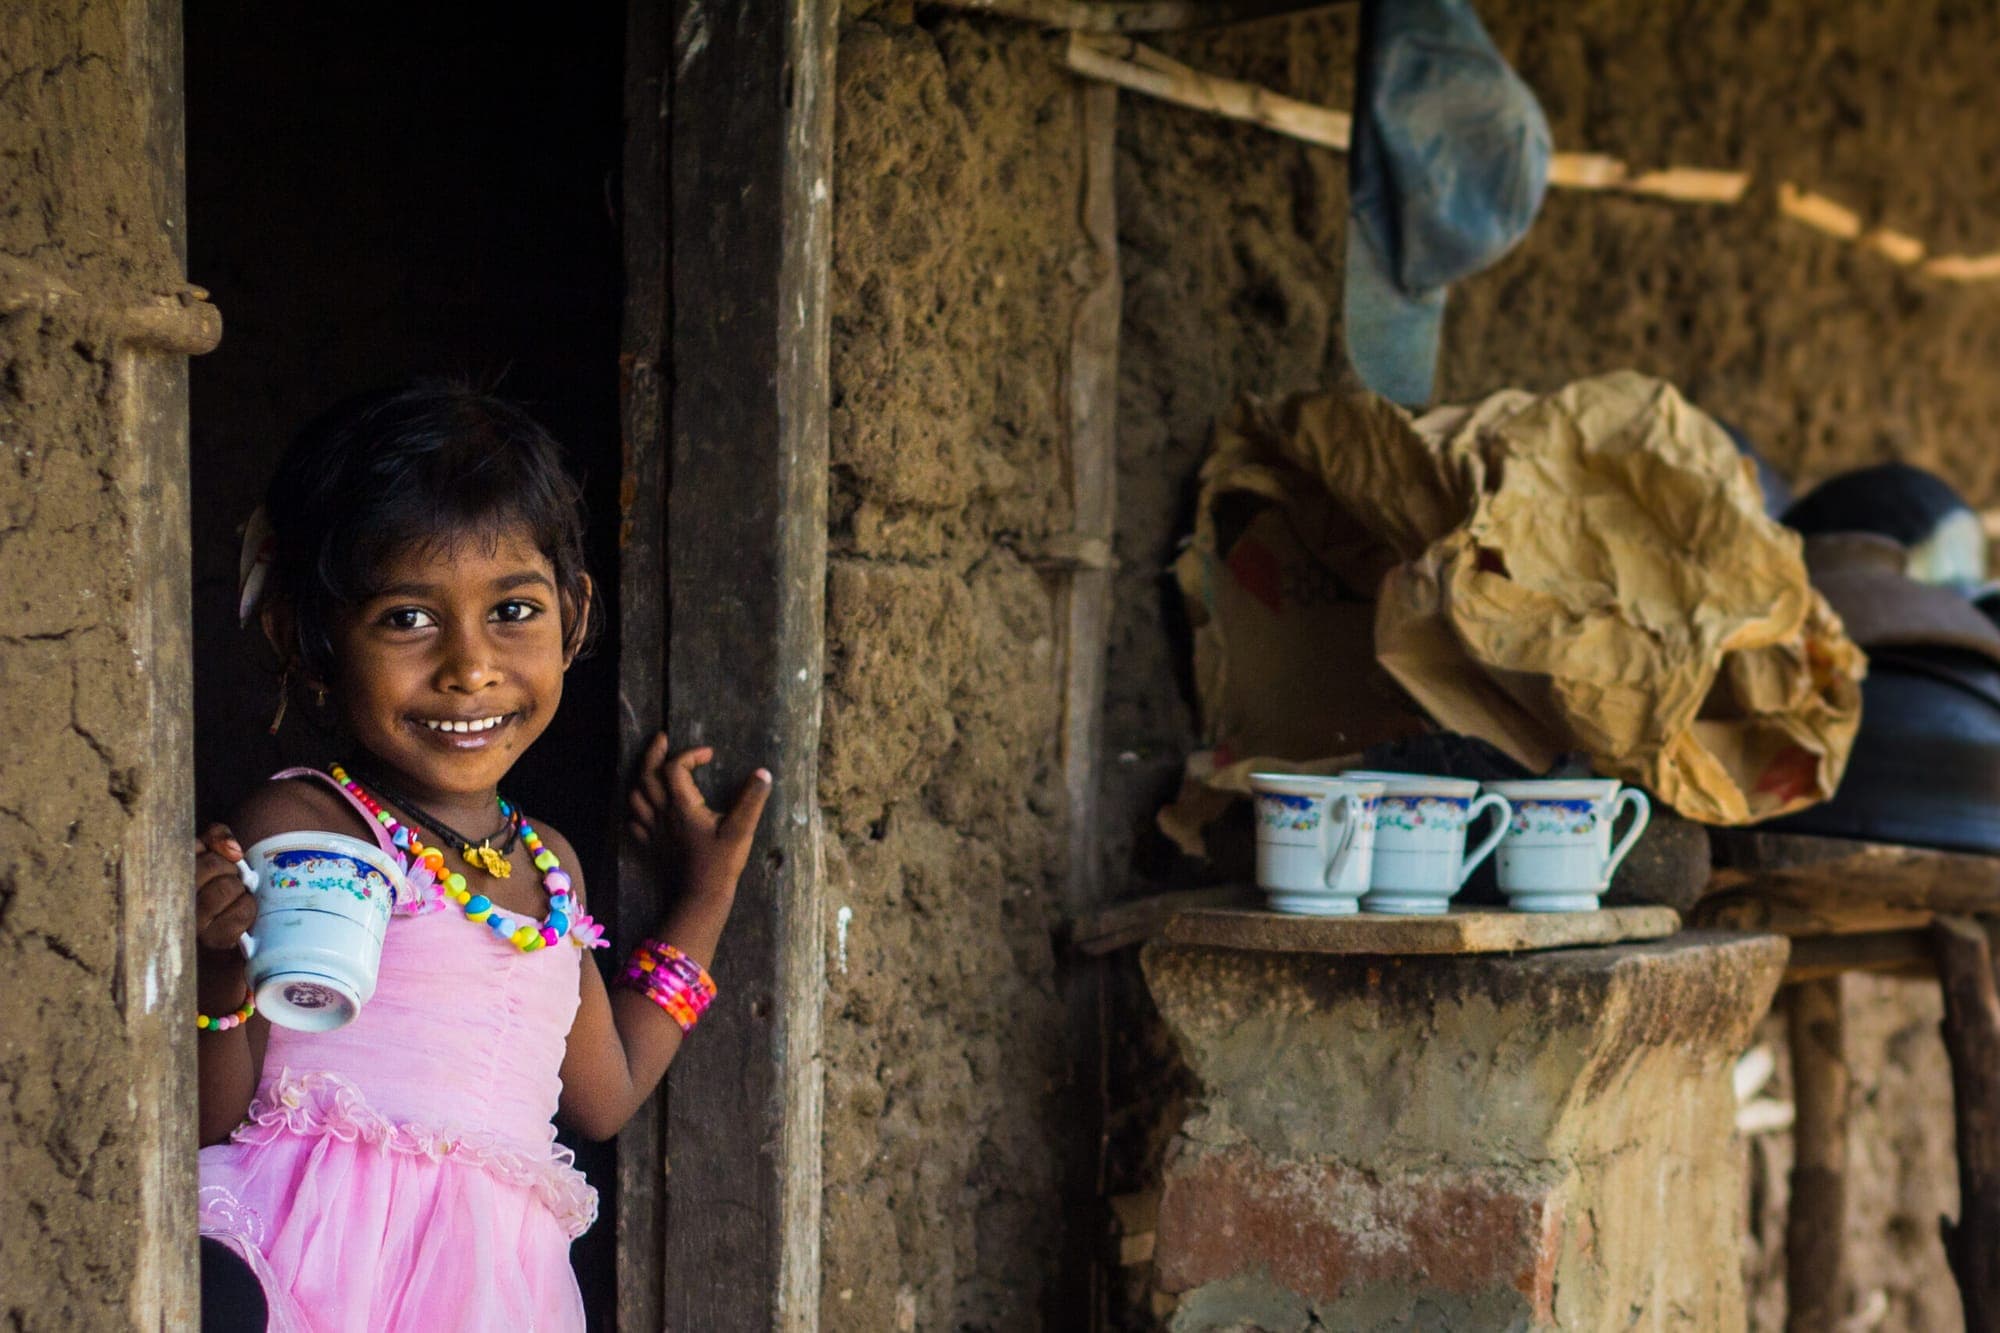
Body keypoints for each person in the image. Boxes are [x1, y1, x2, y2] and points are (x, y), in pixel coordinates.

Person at [192, 382, 770, 1331]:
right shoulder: (313, 826)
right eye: (407, 619)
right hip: (317, 1262)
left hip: (491, 1297)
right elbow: (216, 1118)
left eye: (513, 609)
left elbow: (606, 1090)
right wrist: (219, 975)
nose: (469, 665)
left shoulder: (550, 866)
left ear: (575, 614)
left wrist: (706, 895)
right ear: (309, 638)